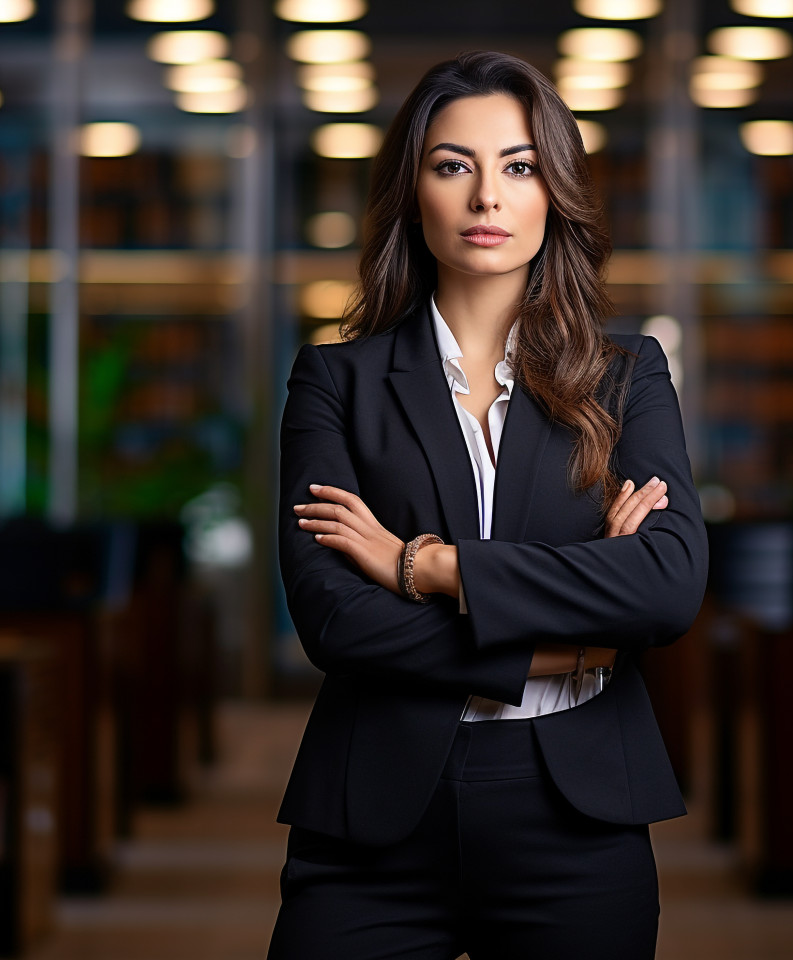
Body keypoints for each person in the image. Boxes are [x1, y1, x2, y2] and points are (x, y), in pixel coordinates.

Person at [267, 51, 708, 960]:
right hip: (373, 815)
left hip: (575, 815)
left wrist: (426, 566)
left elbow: (664, 587)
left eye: (519, 166)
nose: (486, 199)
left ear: (556, 191)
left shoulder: (627, 378)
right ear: (413, 190)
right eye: (452, 165)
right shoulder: (335, 382)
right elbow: (334, 620)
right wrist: (567, 642)